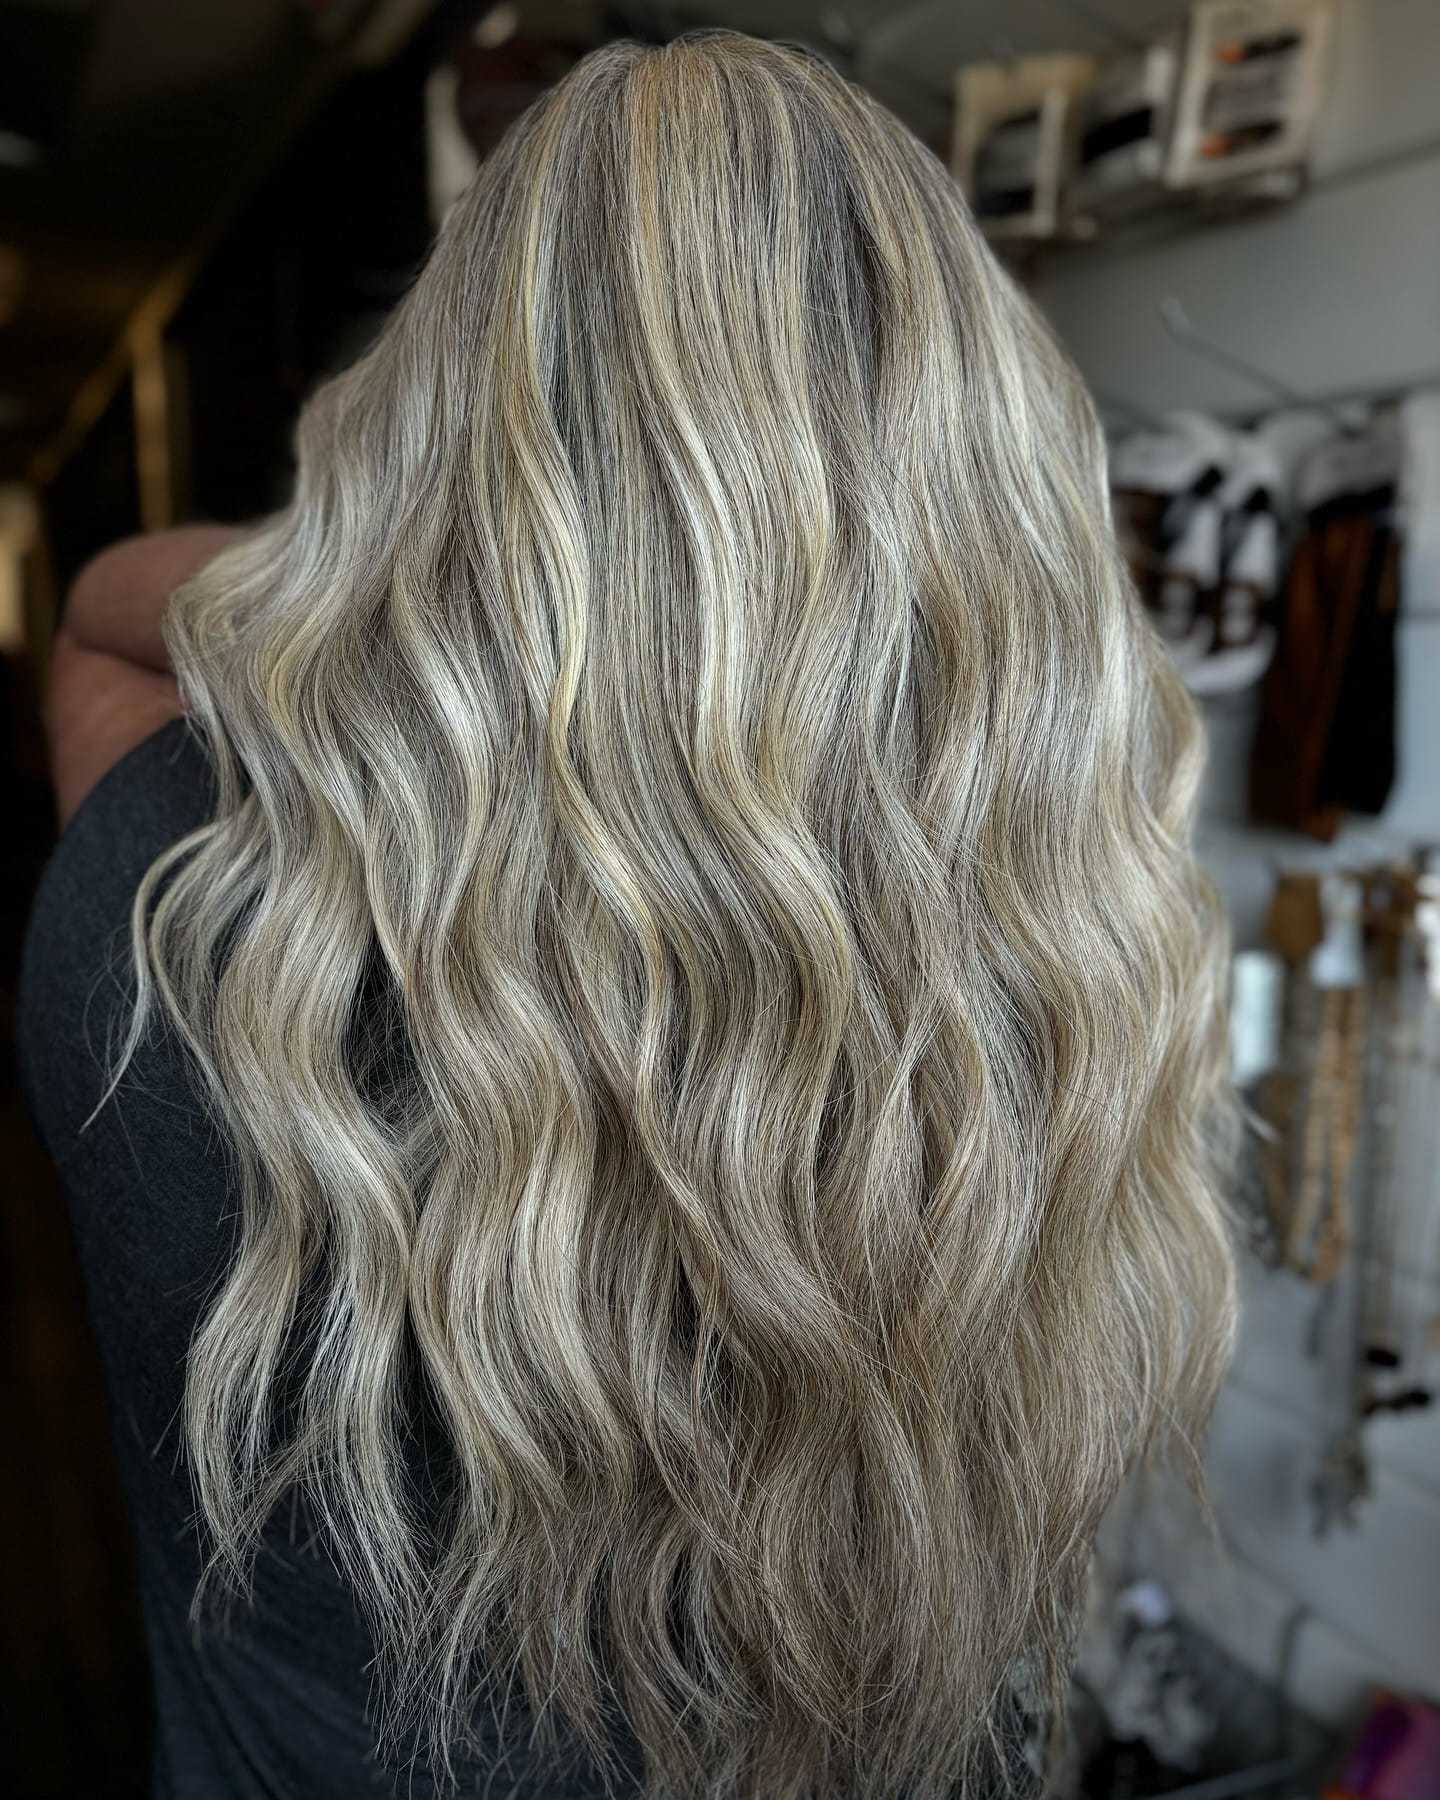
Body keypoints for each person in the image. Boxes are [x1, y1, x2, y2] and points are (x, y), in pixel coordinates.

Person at [18, 30, 1238, 1800]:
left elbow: (101, 625)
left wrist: (336, 593)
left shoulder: (170, 914)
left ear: (432, 442)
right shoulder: (1070, 962)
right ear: (985, 481)